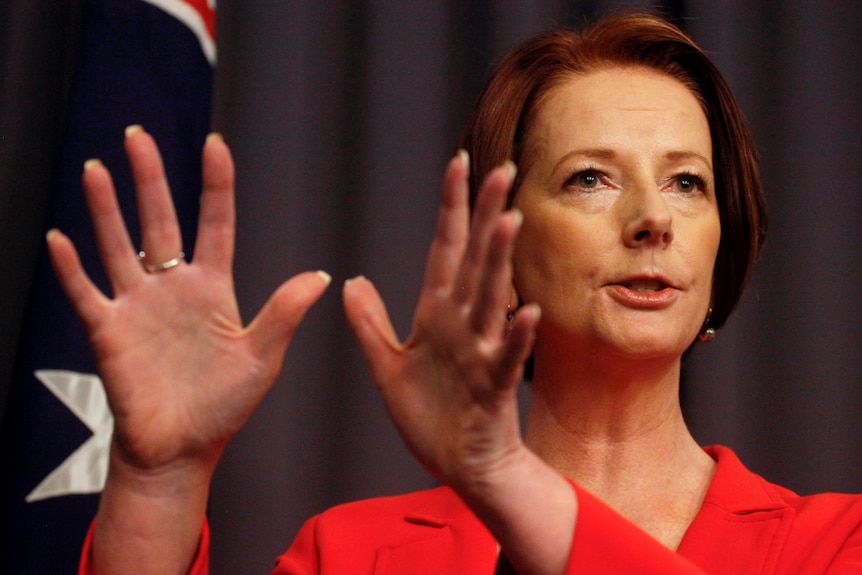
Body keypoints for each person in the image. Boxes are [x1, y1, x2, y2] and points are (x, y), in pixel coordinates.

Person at [49, 11, 862, 575]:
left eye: (688, 182)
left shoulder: (835, 543)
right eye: (590, 178)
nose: (654, 218)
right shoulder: (354, 556)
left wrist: (505, 476)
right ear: (497, 245)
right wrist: (160, 478)